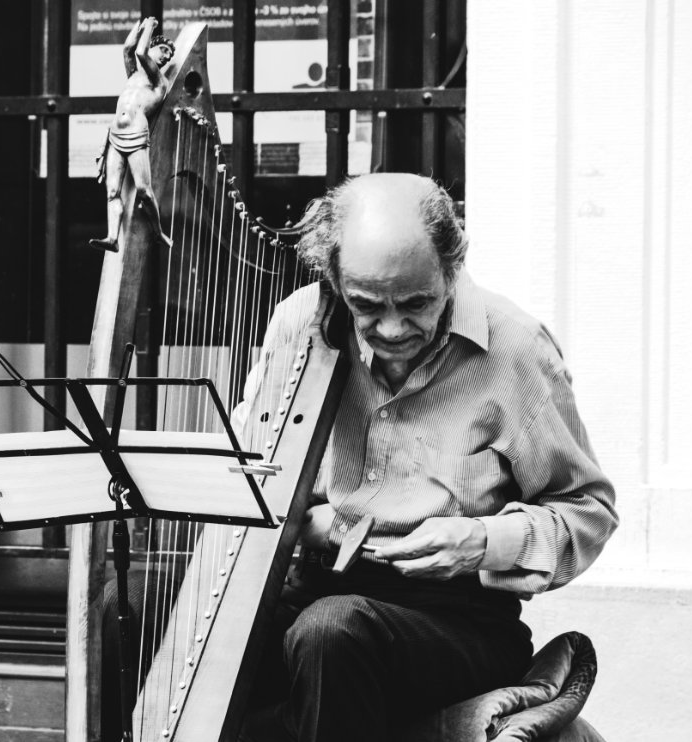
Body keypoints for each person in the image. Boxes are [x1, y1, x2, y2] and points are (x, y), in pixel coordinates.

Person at [232, 172, 618, 741]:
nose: (391, 328)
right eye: (366, 305)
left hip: (456, 619)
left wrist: (482, 541)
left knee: (331, 633)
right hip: (308, 588)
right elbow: (250, 474)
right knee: (135, 609)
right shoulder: (300, 325)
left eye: (416, 303)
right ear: (335, 279)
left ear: (450, 267)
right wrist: (308, 526)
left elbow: (588, 511)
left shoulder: (515, 350)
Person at [89, 17, 175, 252]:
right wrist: (139, 27)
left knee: (144, 191)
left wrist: (149, 28)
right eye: (164, 50)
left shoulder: (160, 81)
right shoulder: (133, 76)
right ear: (154, 46)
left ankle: (158, 232)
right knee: (113, 190)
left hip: (137, 131)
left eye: (169, 55)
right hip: (116, 132)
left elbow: (139, 52)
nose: (166, 57)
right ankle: (112, 237)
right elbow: (129, 49)